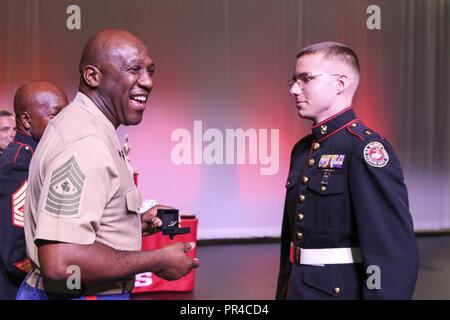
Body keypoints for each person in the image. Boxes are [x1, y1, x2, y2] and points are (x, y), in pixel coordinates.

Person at [17, 29, 199, 300]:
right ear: (92, 76)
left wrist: (133, 222)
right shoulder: (85, 143)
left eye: (150, 70)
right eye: (134, 69)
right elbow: (62, 259)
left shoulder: (87, 127)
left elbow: (86, 230)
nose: (148, 82)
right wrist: (156, 260)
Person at [275, 42, 419, 300]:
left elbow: (392, 252)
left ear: (340, 84)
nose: (294, 89)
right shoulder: (302, 150)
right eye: (294, 80)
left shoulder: (364, 148)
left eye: (305, 79)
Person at [0, 80, 68, 299]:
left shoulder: (34, 155)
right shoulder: (21, 163)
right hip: (21, 289)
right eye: (56, 116)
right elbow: (15, 252)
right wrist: (55, 273)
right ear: (26, 121)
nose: (65, 124)